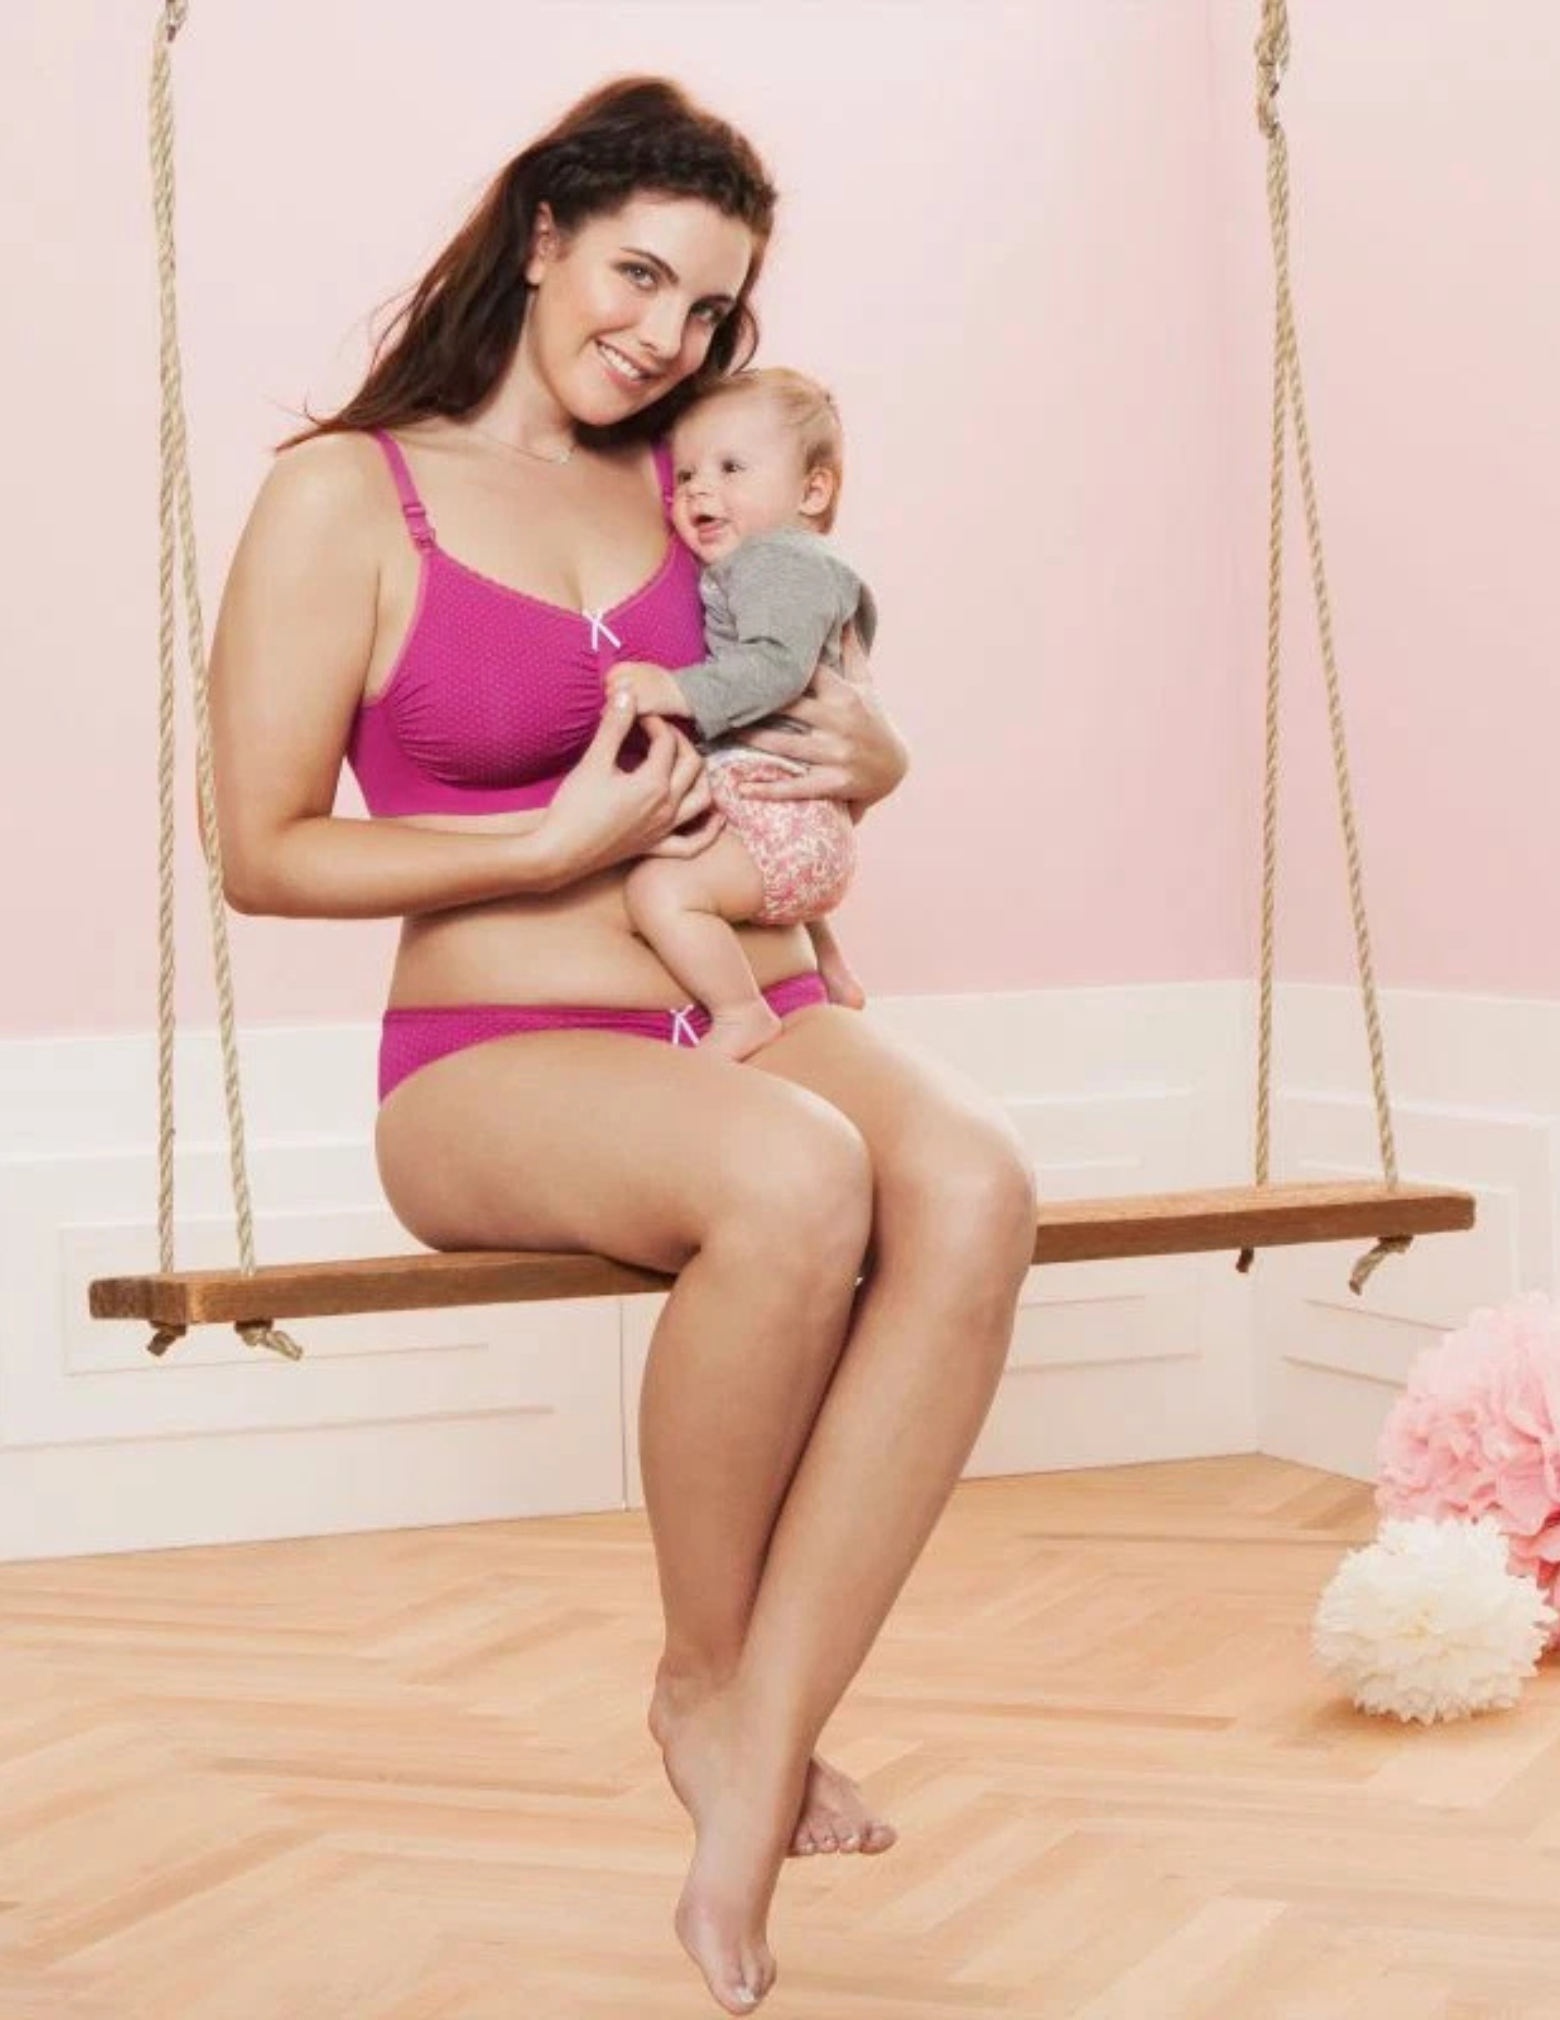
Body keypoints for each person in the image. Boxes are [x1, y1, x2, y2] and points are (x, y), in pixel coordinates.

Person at [210, 74, 1037, 2016]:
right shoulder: (355, 490)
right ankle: (704, 1679)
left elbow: (795, 706)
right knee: (798, 1173)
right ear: (540, 238)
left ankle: (762, 1729)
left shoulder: (700, 475)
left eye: (707, 310)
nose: (664, 337)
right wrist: (540, 843)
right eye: (641, 275)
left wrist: (876, 750)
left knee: (978, 1179)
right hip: (500, 1049)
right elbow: (257, 845)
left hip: (753, 990)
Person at [607, 365, 876, 1058]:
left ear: (813, 491)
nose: (700, 488)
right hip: (798, 821)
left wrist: (675, 689)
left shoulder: (779, 561)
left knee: (660, 890)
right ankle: (832, 970)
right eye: (688, 472)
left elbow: (777, 668)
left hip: (784, 815)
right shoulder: (780, 563)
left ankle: (738, 1012)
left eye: (732, 468)